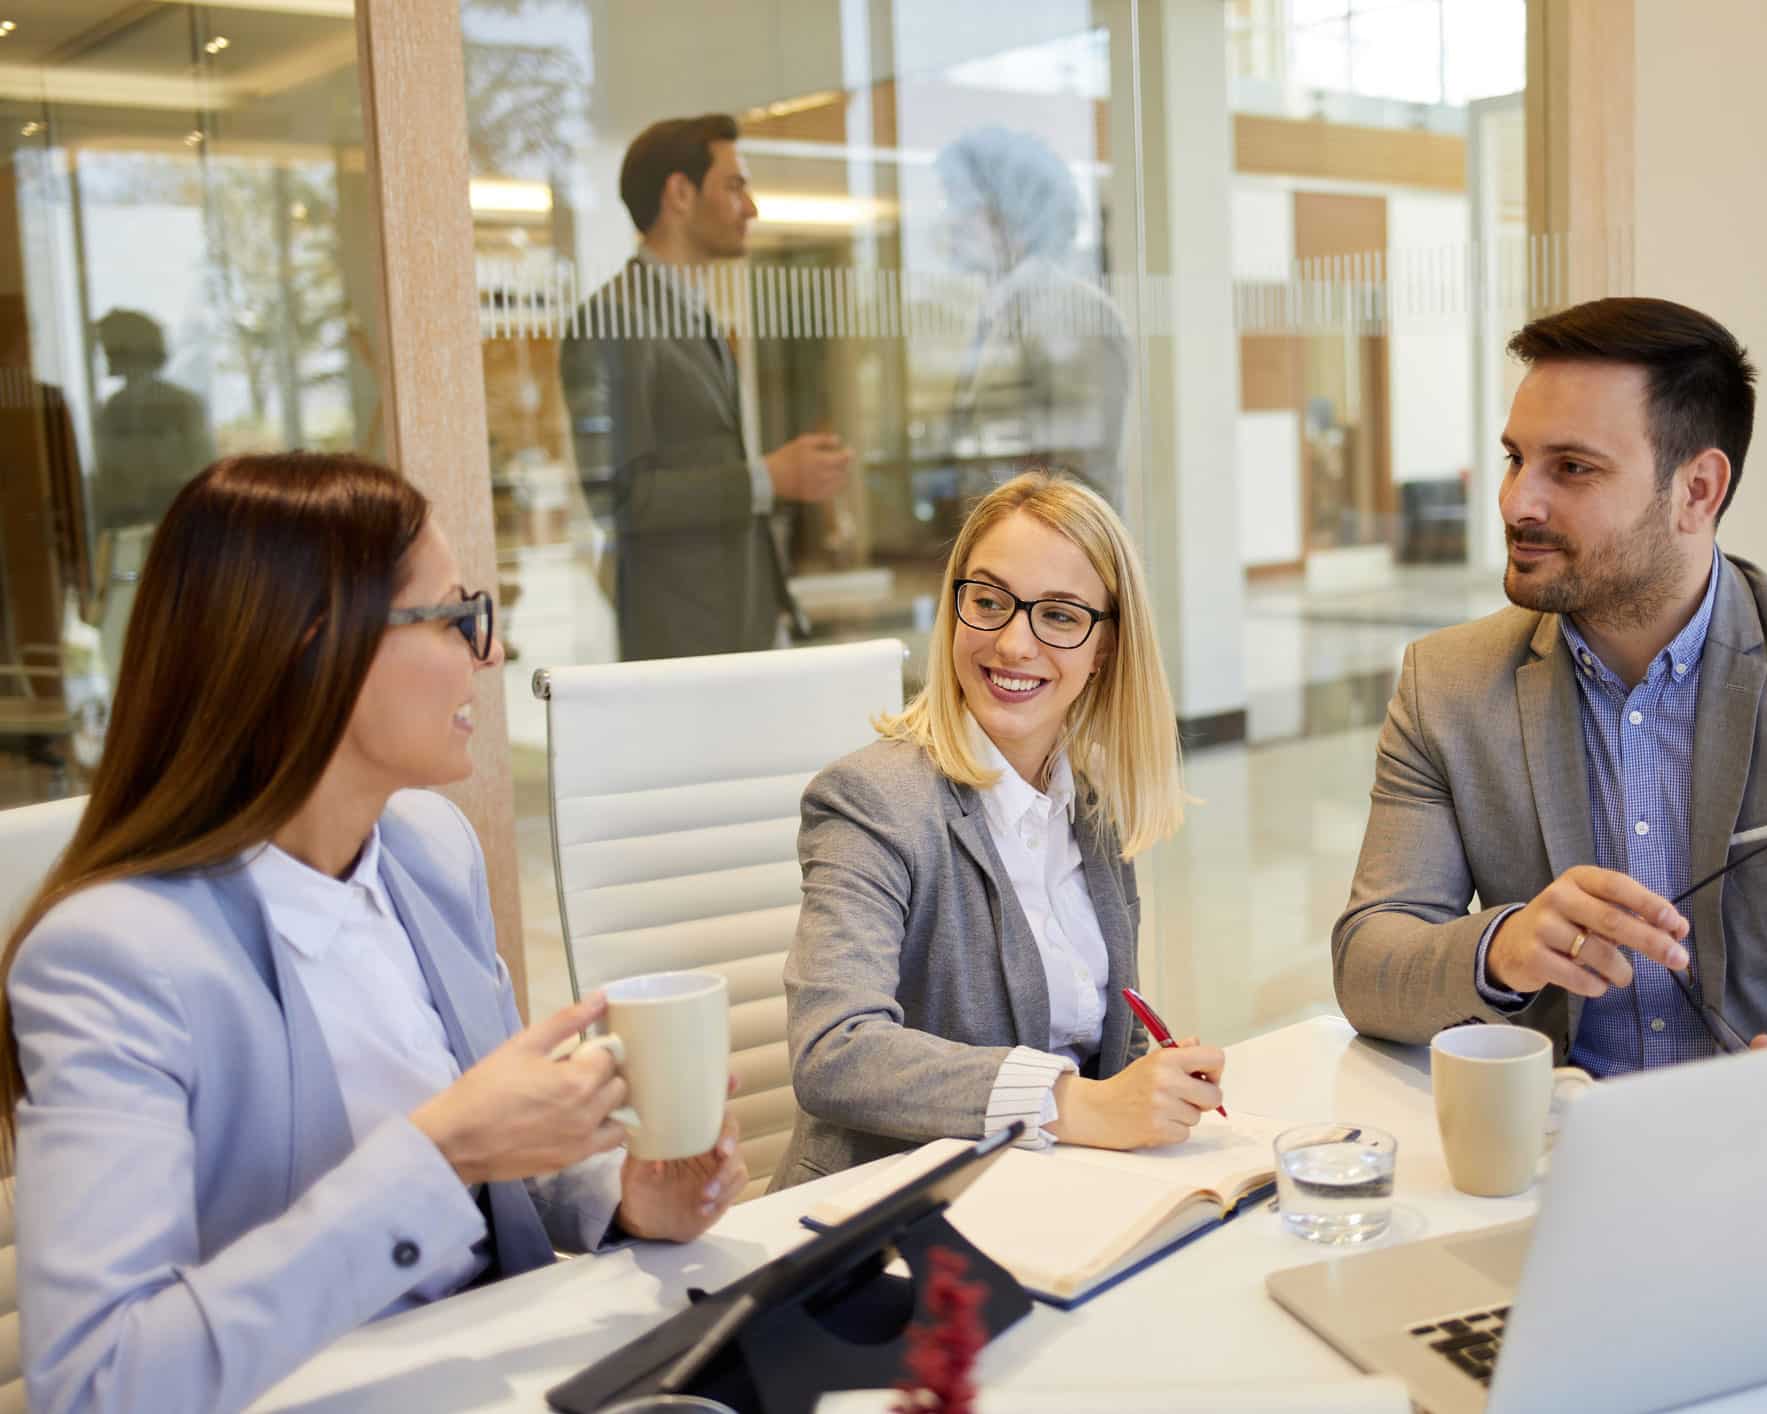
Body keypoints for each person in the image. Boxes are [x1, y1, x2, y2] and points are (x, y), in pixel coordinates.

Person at [2, 453, 748, 1414]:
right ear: (321, 649)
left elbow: (496, 1160)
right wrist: (440, 1154)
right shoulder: (114, 958)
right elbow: (96, 1385)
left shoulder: (430, 851)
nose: (491, 653)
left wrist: (622, 1192)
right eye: (455, 617)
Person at [1332, 297, 1767, 1073]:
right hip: (1556, 1146)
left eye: (1571, 468)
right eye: (1516, 458)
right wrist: (1501, 946)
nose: (1517, 502)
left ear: (1697, 491)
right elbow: (1367, 966)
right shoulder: (1446, 686)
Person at [774, 471, 1209, 1187]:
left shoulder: (1090, 804)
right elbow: (834, 1052)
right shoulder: (870, 801)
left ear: (1104, 648)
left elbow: (1096, 1043)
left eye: (1061, 616)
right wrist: (1074, 1103)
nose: (1012, 643)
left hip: (1046, 1192)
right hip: (890, 1215)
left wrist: (1152, 1082)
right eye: (989, 601)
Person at [561, 113, 851, 659]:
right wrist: (769, 477)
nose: (752, 208)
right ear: (680, 193)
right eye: (735, 186)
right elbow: (620, 498)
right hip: (681, 646)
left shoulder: (695, 317)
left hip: (740, 631)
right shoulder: (613, 322)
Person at [935, 126, 1132, 510]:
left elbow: (1083, 477)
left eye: (965, 206)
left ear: (1011, 218)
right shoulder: (1001, 312)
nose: (952, 221)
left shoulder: (1073, 314)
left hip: (1053, 558)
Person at [91, 309, 215, 533]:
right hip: (125, 525)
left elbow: (201, 466)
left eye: (111, 346)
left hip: (177, 521)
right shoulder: (112, 407)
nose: (106, 354)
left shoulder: (182, 403)